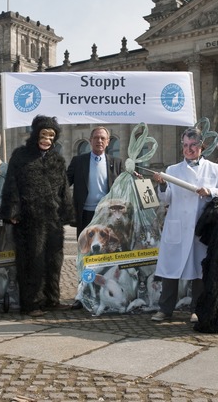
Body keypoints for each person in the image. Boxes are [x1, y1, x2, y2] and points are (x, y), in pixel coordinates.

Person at [151, 126, 218, 323]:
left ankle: (197, 309)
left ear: (201, 146)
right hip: (177, 225)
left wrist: (210, 191)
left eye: (193, 145)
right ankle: (165, 309)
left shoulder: (215, 169)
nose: (189, 149)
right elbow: (166, 198)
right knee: (170, 268)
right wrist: (161, 184)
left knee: (199, 270)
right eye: (185, 145)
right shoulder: (172, 170)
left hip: (200, 227)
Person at [0, 115, 73, 317]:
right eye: (43, 135)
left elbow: (64, 188)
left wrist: (67, 212)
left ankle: (52, 299)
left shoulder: (57, 159)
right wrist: (12, 211)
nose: (47, 140)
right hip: (29, 219)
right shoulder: (21, 155)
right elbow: (11, 184)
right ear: (36, 135)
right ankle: (31, 304)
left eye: (51, 136)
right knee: (32, 262)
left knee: (54, 260)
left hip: (53, 219)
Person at [66, 126, 124, 309]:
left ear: (108, 142)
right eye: (96, 138)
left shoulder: (117, 162)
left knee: (108, 256)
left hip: (107, 217)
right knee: (84, 255)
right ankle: (82, 294)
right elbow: (64, 183)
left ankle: (105, 292)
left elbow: (123, 188)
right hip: (86, 215)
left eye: (103, 138)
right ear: (90, 141)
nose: (99, 141)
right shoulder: (79, 161)